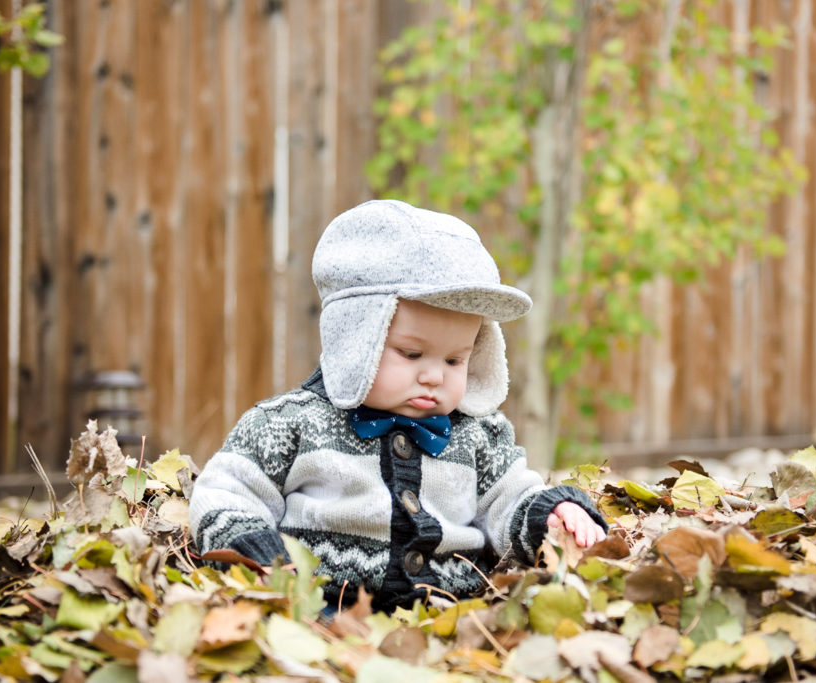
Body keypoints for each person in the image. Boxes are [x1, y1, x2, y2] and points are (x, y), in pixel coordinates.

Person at [189, 199, 608, 612]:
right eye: (411, 354)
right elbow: (227, 492)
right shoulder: (290, 423)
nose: (434, 376)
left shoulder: (479, 435)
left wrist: (549, 516)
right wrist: (259, 555)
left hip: (454, 615)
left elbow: (508, 500)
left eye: (454, 360)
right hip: (320, 607)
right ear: (354, 340)